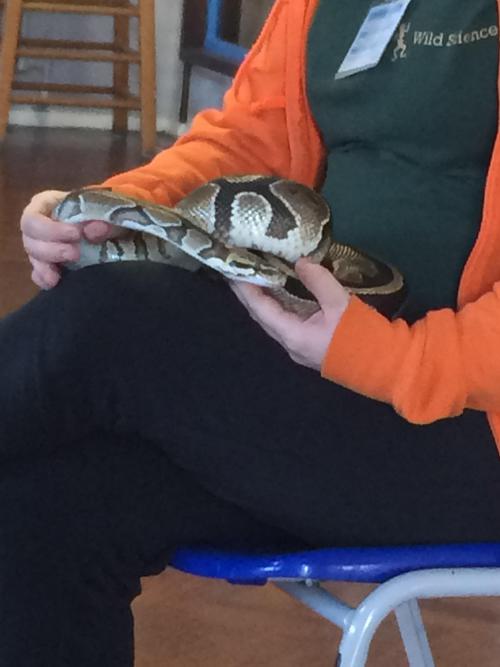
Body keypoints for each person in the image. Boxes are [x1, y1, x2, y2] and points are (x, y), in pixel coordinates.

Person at [4, 0, 500, 664]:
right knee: (40, 507)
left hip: (465, 437)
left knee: (111, 319)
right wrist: (113, 210)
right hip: (314, 384)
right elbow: (247, 139)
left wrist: (373, 354)